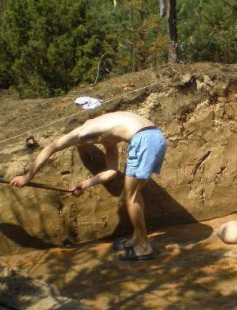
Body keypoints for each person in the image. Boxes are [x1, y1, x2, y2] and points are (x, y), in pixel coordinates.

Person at [10, 111, 167, 261]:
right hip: (157, 137)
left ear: (76, 141)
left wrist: (27, 176)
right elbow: (111, 171)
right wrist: (85, 184)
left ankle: (144, 247)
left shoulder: (81, 132)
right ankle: (137, 238)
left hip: (143, 140)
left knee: (130, 197)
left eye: (78, 147)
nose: (82, 149)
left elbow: (50, 148)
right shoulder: (107, 134)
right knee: (134, 194)